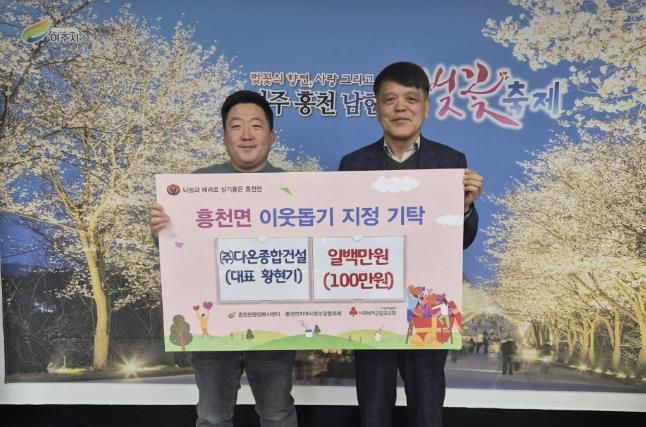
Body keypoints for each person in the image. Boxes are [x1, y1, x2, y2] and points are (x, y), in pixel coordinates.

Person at [338, 62, 483, 427]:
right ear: (377, 109)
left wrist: (465, 209)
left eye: (410, 98)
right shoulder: (352, 165)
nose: (400, 107)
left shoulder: (450, 162)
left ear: (426, 107)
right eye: (390, 99)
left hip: (429, 306)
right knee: (373, 411)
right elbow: (340, 237)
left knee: (428, 411)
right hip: (372, 305)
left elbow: (461, 241)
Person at [149, 90, 297, 427]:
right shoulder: (196, 186)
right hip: (213, 327)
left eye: (256, 125)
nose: (246, 134)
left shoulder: (293, 188)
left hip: (274, 326)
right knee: (212, 416)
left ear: (271, 137)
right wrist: (161, 231)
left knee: (277, 412)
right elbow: (177, 252)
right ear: (225, 136)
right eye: (236, 126)